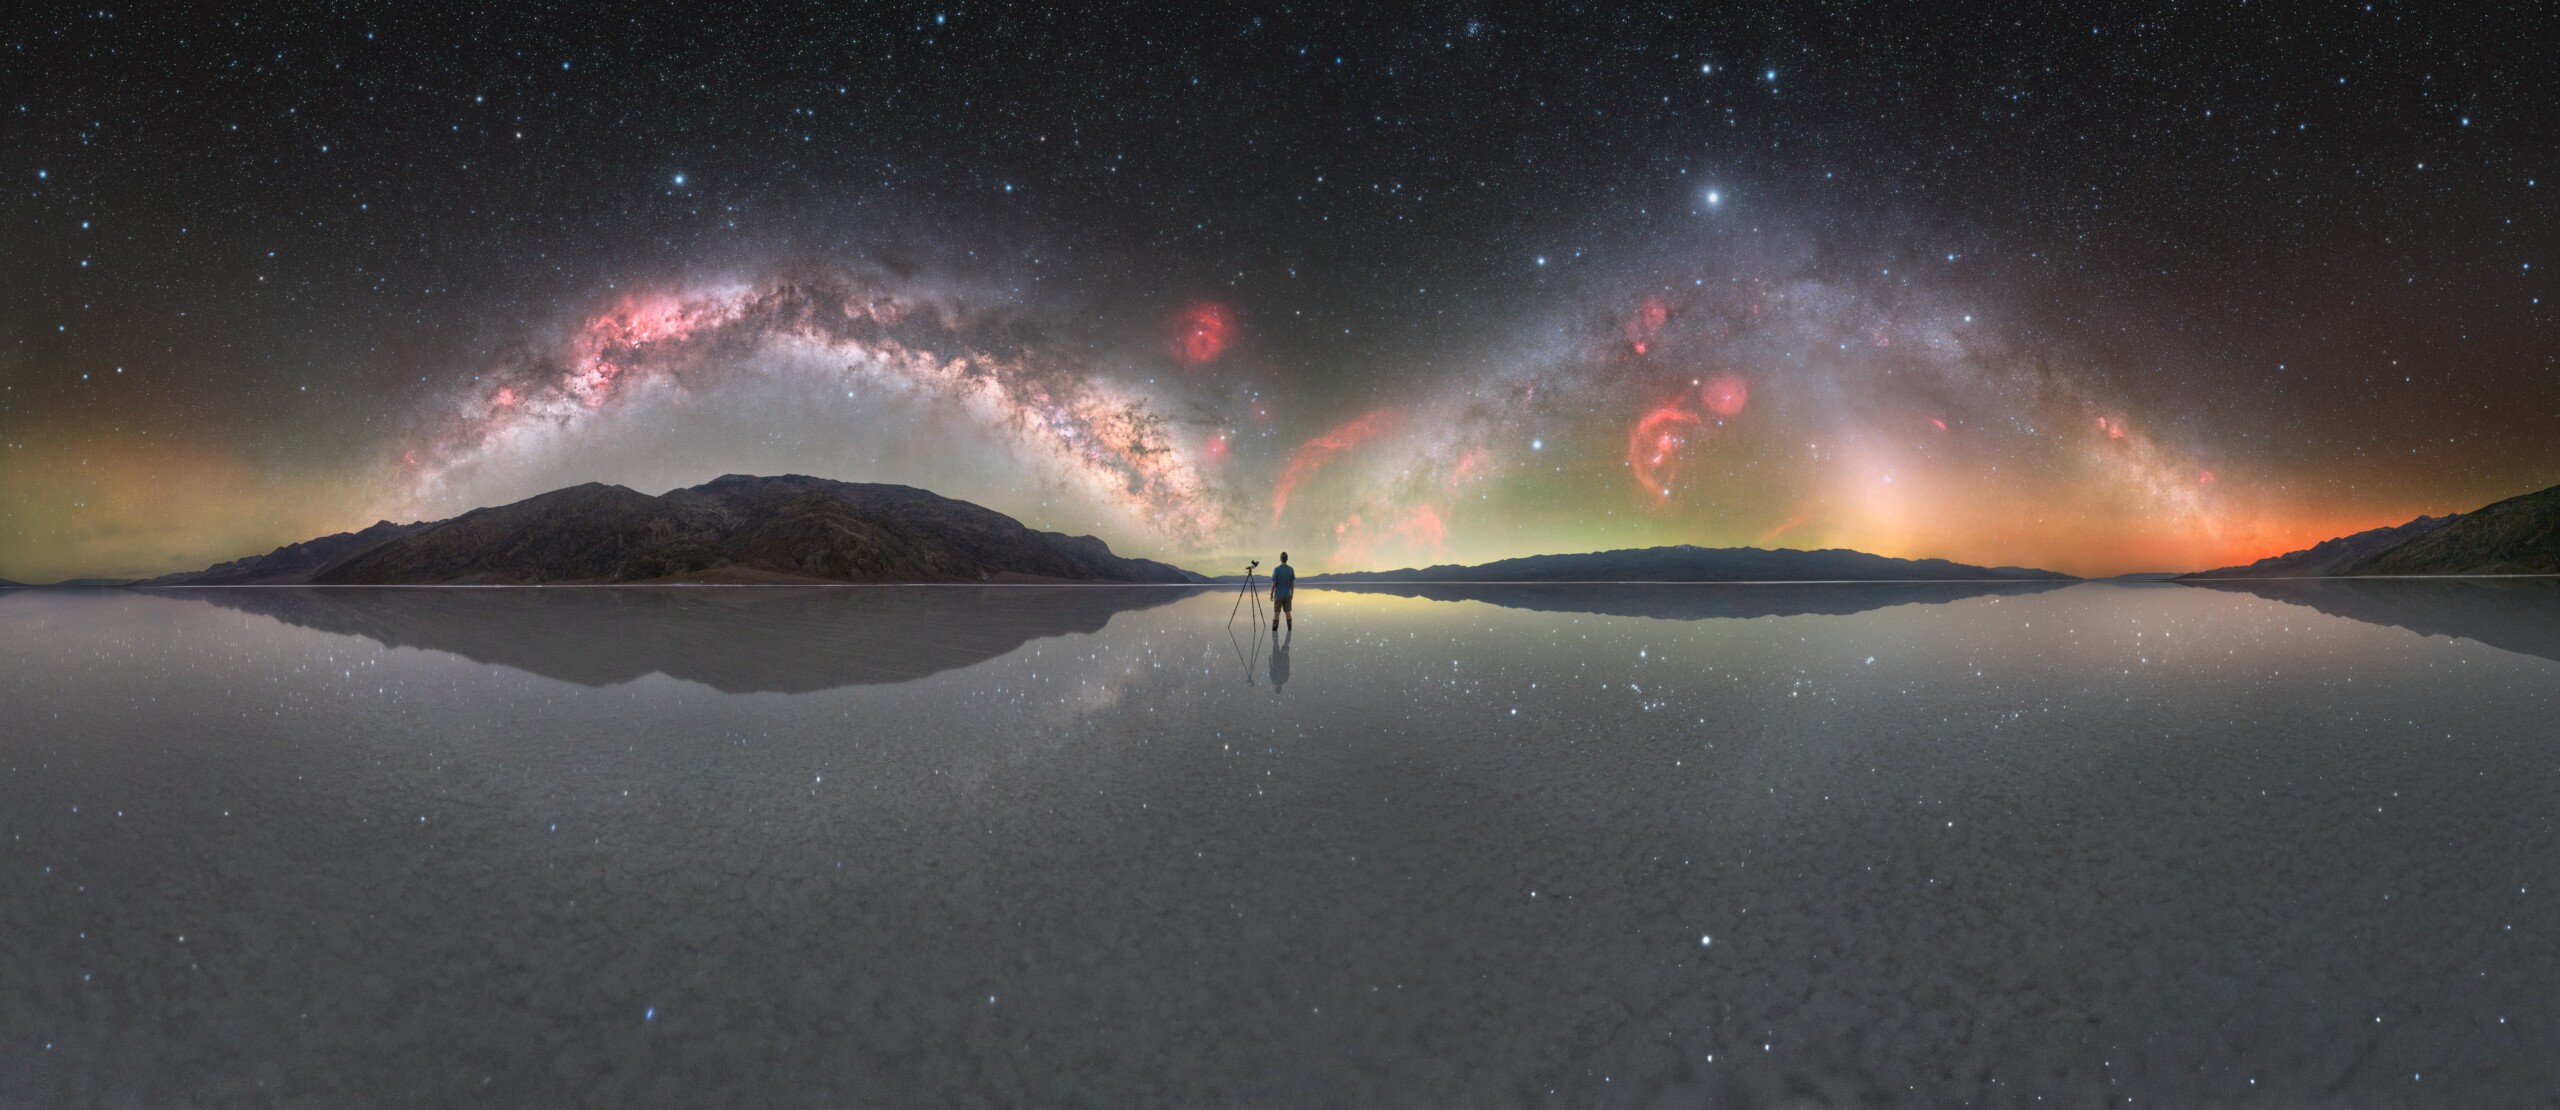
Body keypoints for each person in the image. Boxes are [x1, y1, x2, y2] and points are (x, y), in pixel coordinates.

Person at [1269, 551, 1295, 632]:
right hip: (1287, 594)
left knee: (1277, 614)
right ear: (1287, 559)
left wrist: (1271, 593)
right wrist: (1292, 593)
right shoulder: (1290, 569)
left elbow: (1274, 584)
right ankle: (1290, 629)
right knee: (1288, 613)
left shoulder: (1276, 570)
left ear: (1280, 559)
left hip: (1278, 595)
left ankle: (1274, 631)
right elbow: (1292, 583)